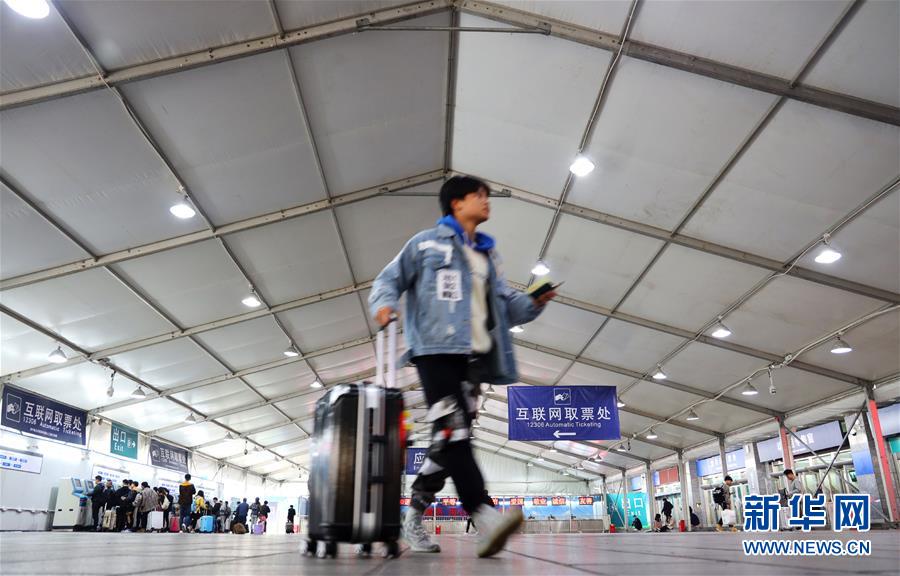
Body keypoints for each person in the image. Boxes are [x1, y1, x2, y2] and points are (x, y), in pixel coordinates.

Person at [369, 175, 555, 558]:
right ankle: (484, 515)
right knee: (454, 433)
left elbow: (507, 305)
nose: (487, 201)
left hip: (474, 361)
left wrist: (534, 302)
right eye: (479, 195)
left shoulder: (488, 257)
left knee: (446, 441)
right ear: (456, 203)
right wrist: (384, 305)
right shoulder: (425, 244)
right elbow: (390, 278)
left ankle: (411, 517)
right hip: (434, 353)